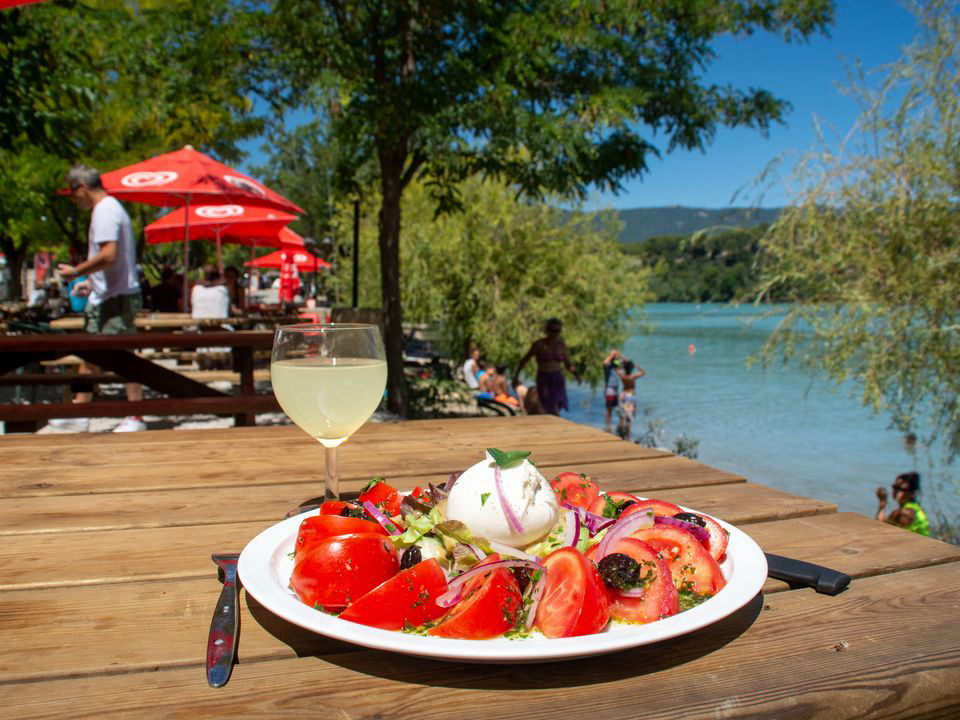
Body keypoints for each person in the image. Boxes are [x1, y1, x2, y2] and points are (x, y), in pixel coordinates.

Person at [56, 164, 146, 433]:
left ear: (81, 188)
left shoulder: (105, 210)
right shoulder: (110, 208)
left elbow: (109, 255)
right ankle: (80, 411)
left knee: (123, 358)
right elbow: (111, 262)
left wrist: (76, 271)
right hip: (110, 295)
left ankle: (136, 416)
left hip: (117, 299)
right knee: (91, 355)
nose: (73, 201)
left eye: (72, 194)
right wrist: (90, 284)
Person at [514, 318, 581, 416]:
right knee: (546, 404)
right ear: (547, 330)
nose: (555, 334)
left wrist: (576, 375)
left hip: (557, 377)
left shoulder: (561, 346)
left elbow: (568, 365)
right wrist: (516, 377)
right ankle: (553, 423)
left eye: (558, 331)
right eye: (553, 330)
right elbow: (524, 361)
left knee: (556, 403)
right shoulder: (539, 345)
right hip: (544, 377)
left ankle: (555, 422)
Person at [876, 471, 931, 536]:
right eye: (895, 487)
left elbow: (879, 526)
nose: (896, 491)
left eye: (901, 489)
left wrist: (882, 503)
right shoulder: (917, 509)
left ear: (912, 493)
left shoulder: (904, 513)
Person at [616, 358, 645, 440]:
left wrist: (621, 364)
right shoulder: (632, 376)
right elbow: (643, 372)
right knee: (629, 418)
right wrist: (637, 366)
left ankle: (620, 434)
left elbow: (617, 369)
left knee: (622, 416)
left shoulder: (623, 376)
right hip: (630, 396)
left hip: (623, 394)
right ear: (631, 368)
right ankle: (628, 436)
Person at [603, 349, 622, 433]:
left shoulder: (615, 364)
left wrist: (618, 357)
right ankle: (608, 427)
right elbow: (605, 363)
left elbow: (622, 364)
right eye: (614, 354)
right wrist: (612, 355)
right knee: (609, 408)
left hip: (616, 389)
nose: (615, 356)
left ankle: (620, 427)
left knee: (617, 408)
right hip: (609, 389)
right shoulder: (608, 365)